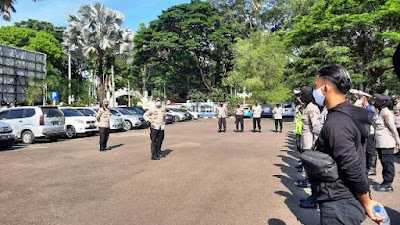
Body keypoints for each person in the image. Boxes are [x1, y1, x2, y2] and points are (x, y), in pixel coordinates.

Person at [312, 65, 384, 225]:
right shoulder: (347, 113)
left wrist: (367, 202)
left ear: (325, 89)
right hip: (344, 198)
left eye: (316, 86)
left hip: (340, 202)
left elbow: (351, 166)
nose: (314, 91)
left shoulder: (337, 123)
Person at [373, 94, 400, 192]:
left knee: (388, 164)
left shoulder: (386, 113)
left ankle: (388, 184)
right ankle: (385, 181)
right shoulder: (380, 112)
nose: (374, 102)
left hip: (386, 143)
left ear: (382, 102)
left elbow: (393, 128)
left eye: (376, 101)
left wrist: (397, 139)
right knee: (384, 163)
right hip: (381, 143)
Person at [362, 95, 378, 176]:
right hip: (366, 131)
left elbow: (374, 118)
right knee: (367, 150)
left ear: (365, 99)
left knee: (371, 150)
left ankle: (372, 168)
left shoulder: (369, 108)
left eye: (361, 99)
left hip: (370, 131)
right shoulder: (365, 107)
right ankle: (368, 166)